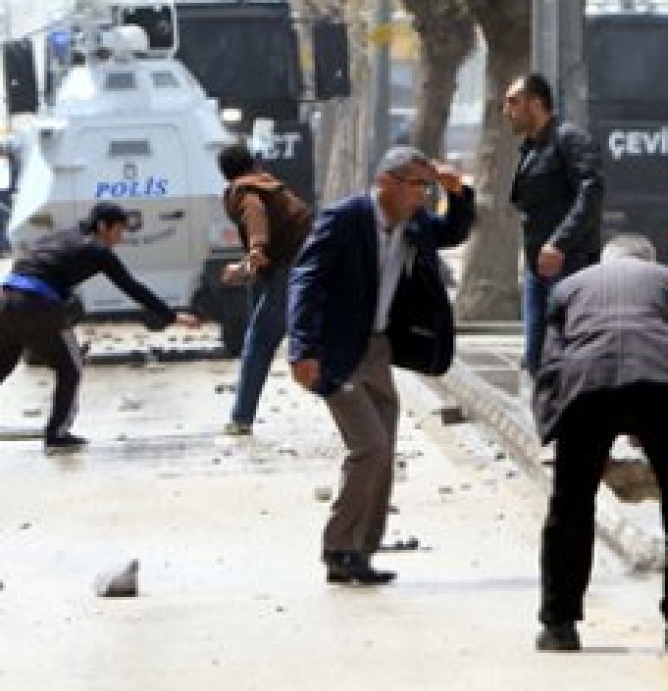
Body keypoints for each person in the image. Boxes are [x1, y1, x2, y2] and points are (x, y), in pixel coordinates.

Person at [288, 146, 474, 586]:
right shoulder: (346, 218)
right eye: (415, 185)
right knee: (368, 446)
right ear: (385, 182)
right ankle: (337, 546)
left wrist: (458, 193)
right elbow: (305, 278)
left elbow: (452, 232)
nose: (421, 196)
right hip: (338, 350)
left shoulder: (412, 224)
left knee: (384, 451)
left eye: (425, 188)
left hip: (378, 350)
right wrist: (302, 349)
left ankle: (361, 552)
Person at [532, 234, 668, 653]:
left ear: (605, 260)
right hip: (663, 385)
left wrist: (555, 425)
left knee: (570, 505)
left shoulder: (570, 286)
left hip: (586, 386)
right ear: (648, 261)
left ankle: (559, 624)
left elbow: (550, 363)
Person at [0, 201, 199, 453]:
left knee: (3, 365)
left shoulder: (62, 235)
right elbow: (131, 287)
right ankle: (57, 435)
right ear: (103, 226)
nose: (120, 238)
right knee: (70, 366)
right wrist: (171, 316)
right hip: (37, 302)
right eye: (118, 231)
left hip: (6, 298)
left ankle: (57, 432)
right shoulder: (97, 250)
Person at [505, 72, 604, 375]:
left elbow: (591, 192)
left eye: (513, 103)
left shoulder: (569, 139)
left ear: (536, 104)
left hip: (569, 263)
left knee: (565, 356)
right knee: (536, 357)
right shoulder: (530, 149)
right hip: (539, 269)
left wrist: (559, 242)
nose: (506, 111)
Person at [216, 142, 313, 436]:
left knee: (258, 341)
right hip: (306, 262)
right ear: (254, 164)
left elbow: (253, 213)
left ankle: (241, 418)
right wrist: (251, 263)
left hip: (290, 269)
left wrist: (256, 247)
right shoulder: (269, 184)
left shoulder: (242, 191)